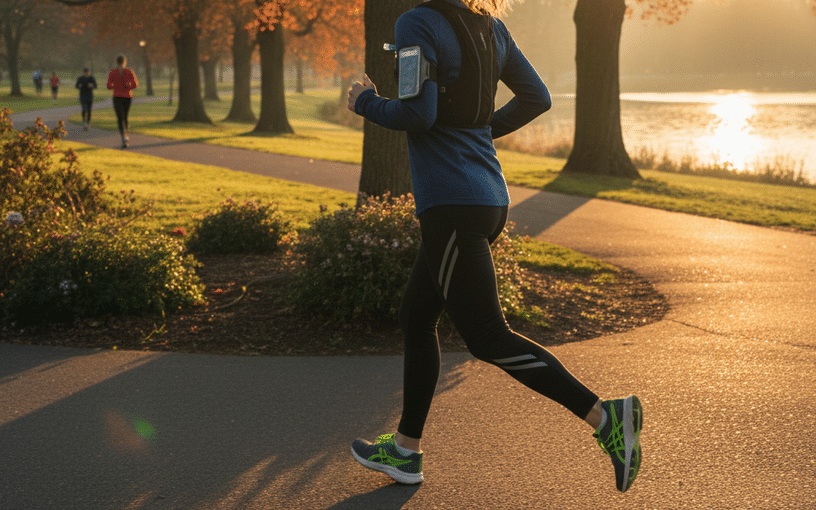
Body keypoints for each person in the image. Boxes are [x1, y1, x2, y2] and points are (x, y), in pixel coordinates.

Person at [347, 0, 642, 493]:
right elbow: (536, 98)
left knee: (487, 337)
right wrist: (478, 131)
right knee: (416, 316)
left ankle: (605, 417)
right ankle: (405, 451)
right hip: (487, 201)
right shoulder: (492, 28)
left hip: (451, 205)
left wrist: (365, 103)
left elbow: (419, 114)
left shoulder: (418, 22)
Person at [106, 55, 138, 148]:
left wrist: (115, 86)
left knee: (120, 117)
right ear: (125, 62)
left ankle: (124, 136)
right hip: (127, 96)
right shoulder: (129, 71)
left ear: (117, 62)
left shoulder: (113, 72)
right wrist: (127, 87)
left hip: (117, 96)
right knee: (125, 116)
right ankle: (125, 136)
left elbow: (108, 85)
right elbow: (135, 85)